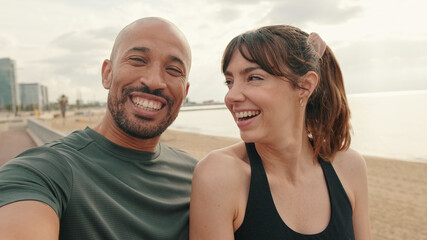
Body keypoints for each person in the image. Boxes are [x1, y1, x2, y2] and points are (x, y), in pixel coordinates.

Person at [0, 17, 198, 240]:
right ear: (107, 74)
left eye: (173, 70)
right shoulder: (46, 172)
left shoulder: (200, 176)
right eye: (137, 60)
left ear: (185, 91)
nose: (153, 81)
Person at [190, 25, 371, 239]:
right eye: (229, 82)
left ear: (304, 86)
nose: (231, 97)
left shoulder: (349, 167)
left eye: (254, 78)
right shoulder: (221, 175)